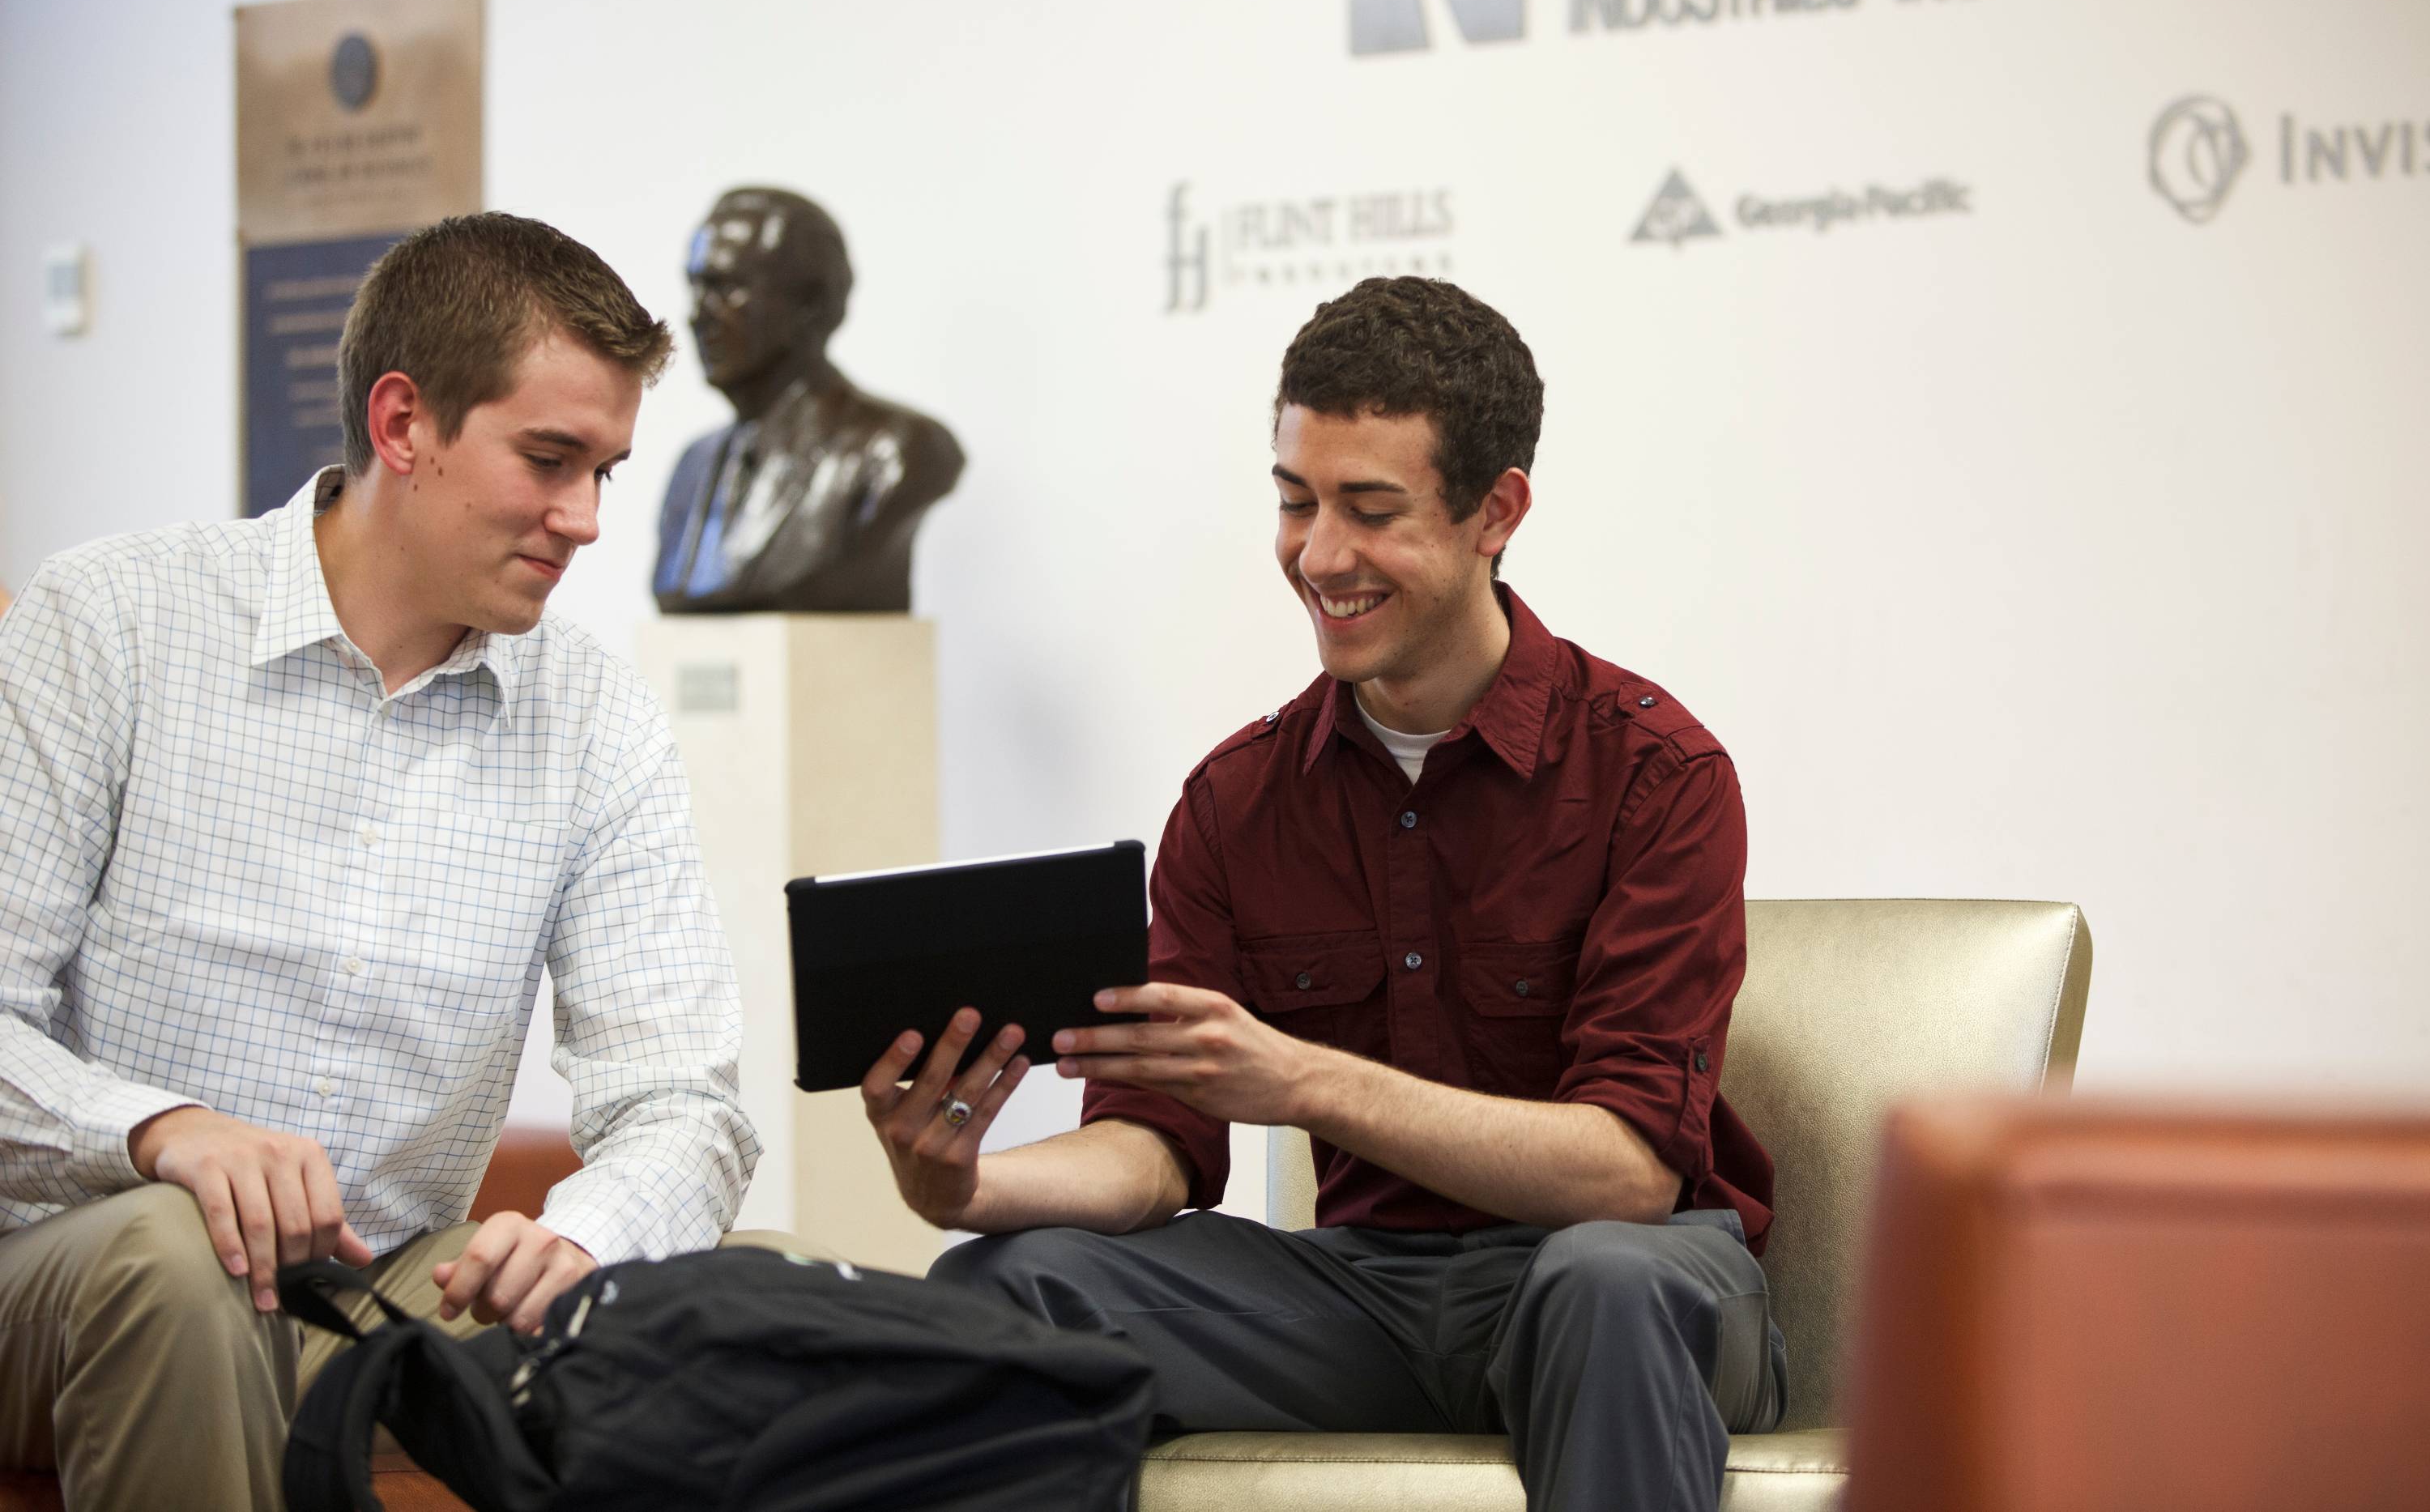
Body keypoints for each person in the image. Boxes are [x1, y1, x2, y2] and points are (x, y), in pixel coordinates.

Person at [863, 277, 1783, 1512]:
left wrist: (1296, 1079)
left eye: (1371, 509)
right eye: (1296, 501)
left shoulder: (1654, 774)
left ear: (1494, 512)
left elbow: (1624, 1173)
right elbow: (1153, 1145)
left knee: (1602, 1281)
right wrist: (968, 1187)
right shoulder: (1237, 802)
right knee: (1005, 1288)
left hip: (1641, 1286)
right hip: (1367, 1296)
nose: (1319, 553)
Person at [0, 212, 759, 1510]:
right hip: (76, 1265)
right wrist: (163, 1131)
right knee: (178, 1260)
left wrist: (581, 1234)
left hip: (386, 1287)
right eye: (548, 458)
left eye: (606, 472)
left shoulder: (595, 718)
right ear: (403, 424)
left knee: (753, 1319)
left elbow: (686, 1102)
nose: (583, 519)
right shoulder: (112, 622)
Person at [652, 185, 965, 612]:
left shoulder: (898, 450)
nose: (696, 314)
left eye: (725, 289)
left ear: (810, 304)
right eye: (695, 287)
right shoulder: (693, 466)